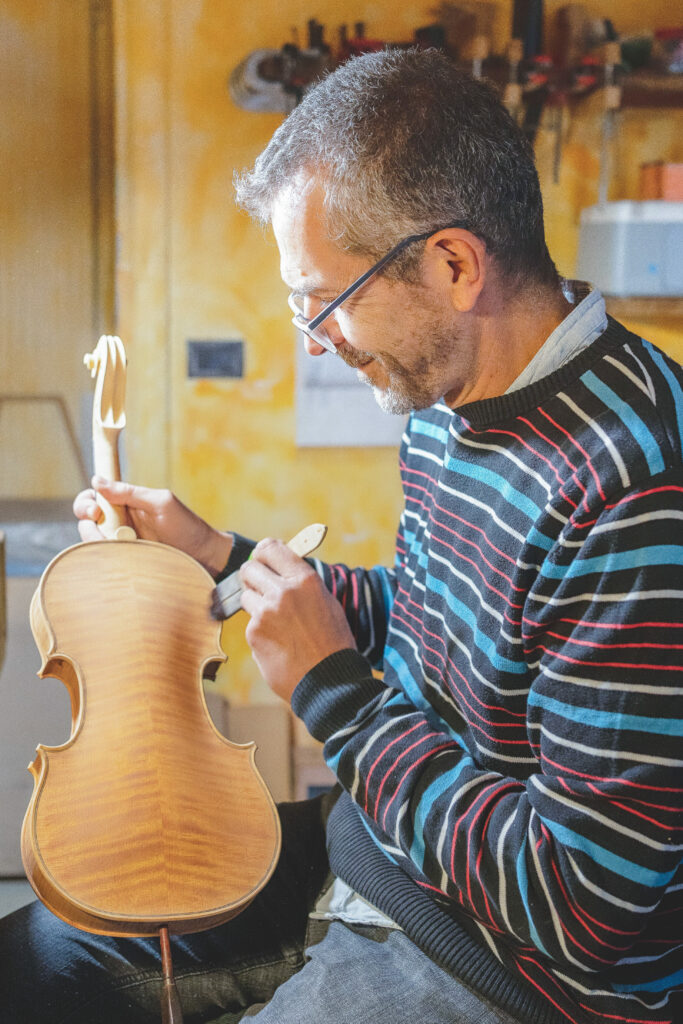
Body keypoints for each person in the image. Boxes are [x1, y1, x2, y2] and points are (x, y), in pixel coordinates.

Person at [2, 47, 682, 1024]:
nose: (313, 338)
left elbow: (584, 904)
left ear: (452, 264)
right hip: (370, 850)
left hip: (507, 970)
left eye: (324, 301)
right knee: (29, 965)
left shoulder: (630, 483)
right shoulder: (453, 396)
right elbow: (454, 628)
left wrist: (332, 695)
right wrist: (225, 559)